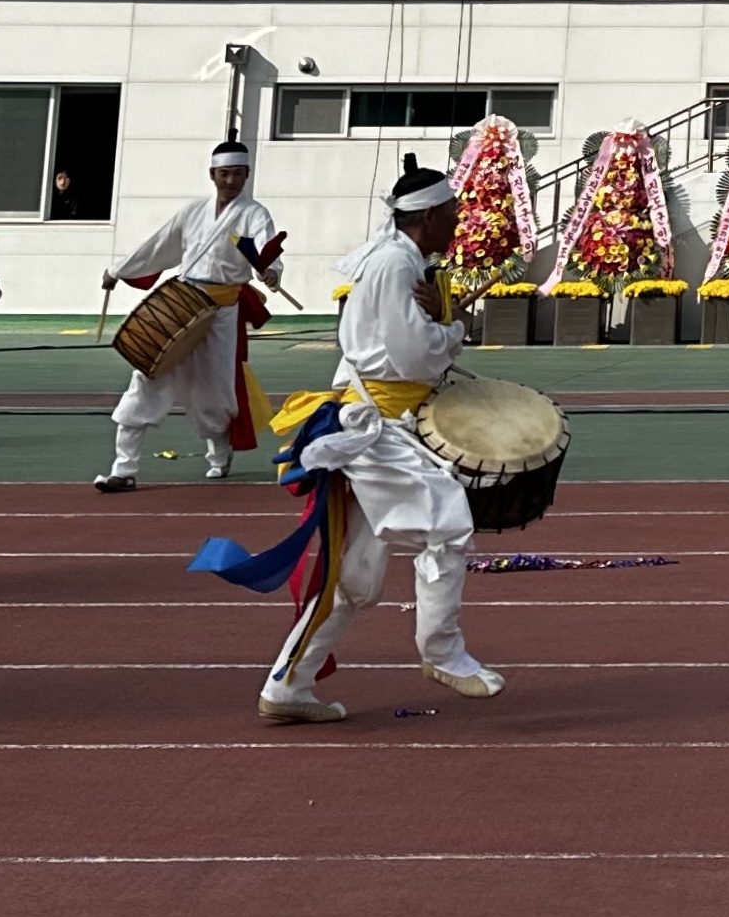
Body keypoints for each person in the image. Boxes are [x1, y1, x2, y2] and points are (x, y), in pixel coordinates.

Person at [230, 154, 500, 722]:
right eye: (452, 213)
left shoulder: (399, 260)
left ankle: (286, 688)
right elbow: (412, 356)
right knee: (448, 524)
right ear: (428, 218)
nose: (459, 222)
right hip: (376, 427)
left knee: (354, 574)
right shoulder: (396, 266)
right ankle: (443, 652)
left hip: (376, 421)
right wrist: (454, 329)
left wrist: (443, 319)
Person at [97, 133, 285, 488]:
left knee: (215, 392)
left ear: (247, 175)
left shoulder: (255, 214)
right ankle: (124, 469)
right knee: (146, 379)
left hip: (222, 313)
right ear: (212, 175)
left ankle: (219, 453)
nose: (231, 181)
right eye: (224, 174)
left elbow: (266, 248)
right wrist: (119, 270)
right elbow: (159, 245)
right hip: (181, 305)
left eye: (238, 174)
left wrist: (270, 270)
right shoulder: (192, 212)